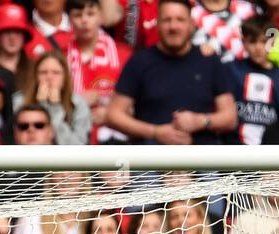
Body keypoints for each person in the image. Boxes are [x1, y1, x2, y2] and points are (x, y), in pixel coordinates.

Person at [106, 0, 238, 145]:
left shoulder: (210, 61)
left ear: (192, 24)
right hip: (151, 159)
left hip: (203, 159)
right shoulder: (139, 62)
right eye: (167, 20)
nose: (173, 26)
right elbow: (114, 114)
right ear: (157, 24)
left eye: (180, 20)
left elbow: (230, 118)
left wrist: (201, 121)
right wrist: (154, 132)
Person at [65, 0, 130, 143]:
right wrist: (79, 103)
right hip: (75, 138)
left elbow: (136, 103)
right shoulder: (61, 57)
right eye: (77, 15)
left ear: (100, 16)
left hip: (120, 137)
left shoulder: (124, 54)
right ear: (69, 20)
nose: (84, 20)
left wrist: (110, 114)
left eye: (90, 14)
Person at [231, 14, 279, 145]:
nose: (258, 48)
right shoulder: (231, 70)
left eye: (264, 41)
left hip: (270, 152)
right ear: (243, 42)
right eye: (253, 41)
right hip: (233, 148)